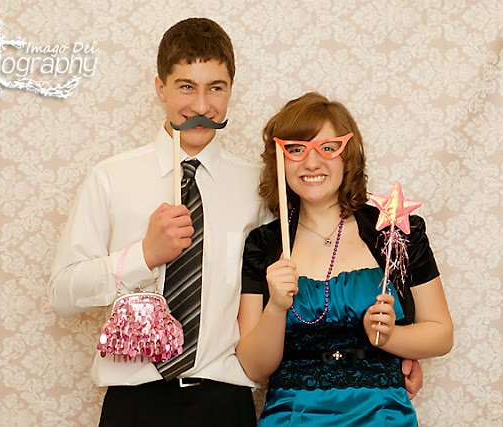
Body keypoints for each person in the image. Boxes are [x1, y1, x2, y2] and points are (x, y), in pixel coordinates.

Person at [48, 18, 265, 426]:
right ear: (160, 88)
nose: (200, 107)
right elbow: (62, 294)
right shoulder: (110, 178)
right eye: (186, 86)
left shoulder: (258, 186)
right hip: (134, 403)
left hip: (226, 402)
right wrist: (143, 256)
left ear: (231, 90)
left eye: (215, 88)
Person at [236, 92, 453, 426]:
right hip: (292, 418)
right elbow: (254, 367)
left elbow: (442, 334)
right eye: (296, 149)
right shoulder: (263, 244)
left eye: (327, 148)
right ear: (279, 160)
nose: (311, 163)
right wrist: (276, 307)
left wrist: (391, 337)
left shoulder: (394, 232)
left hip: (383, 416)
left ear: (347, 155)